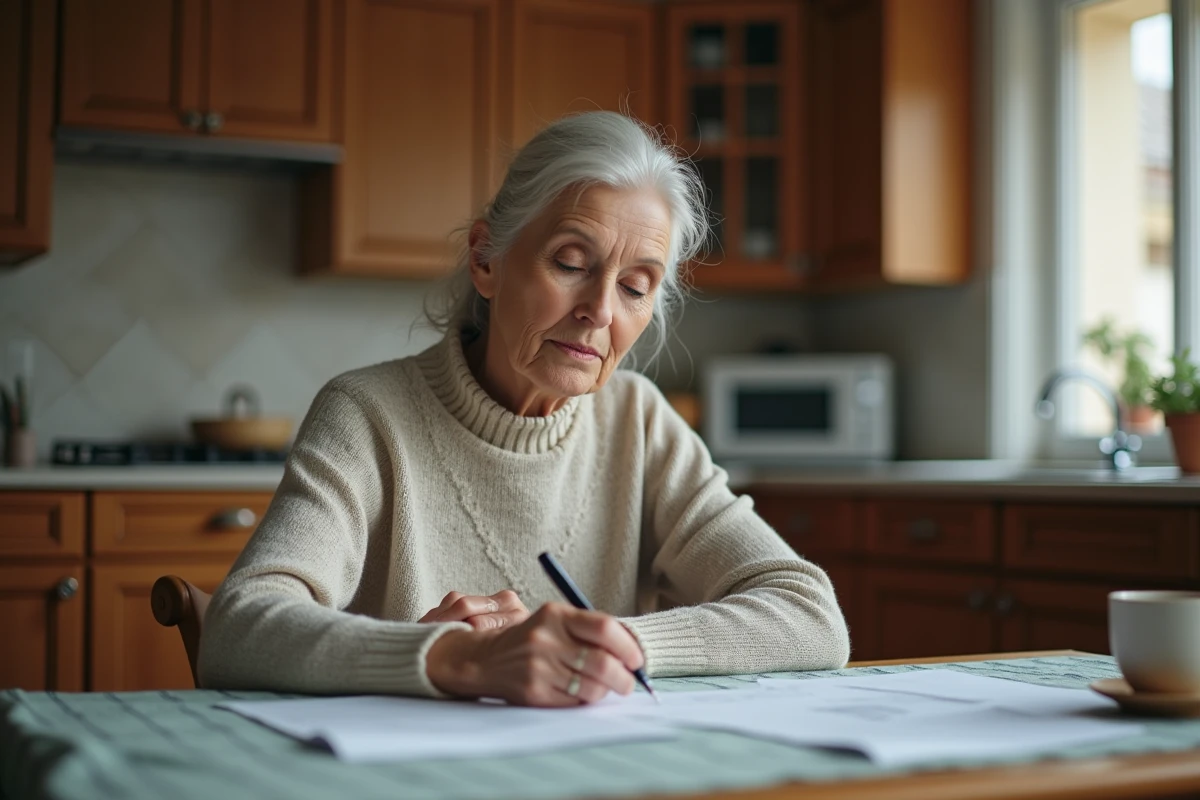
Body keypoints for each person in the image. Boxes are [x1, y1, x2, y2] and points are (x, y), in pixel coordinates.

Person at [198, 111, 850, 707]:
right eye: (570, 262)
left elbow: (810, 615)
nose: (599, 309)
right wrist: (457, 658)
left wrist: (598, 647)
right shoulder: (367, 415)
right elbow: (237, 628)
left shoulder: (640, 422)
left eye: (633, 287)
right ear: (486, 259)